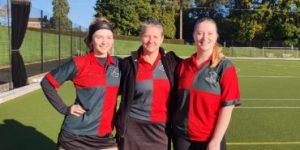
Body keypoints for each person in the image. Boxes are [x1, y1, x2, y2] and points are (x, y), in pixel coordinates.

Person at [40, 18, 121, 150]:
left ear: (112, 40)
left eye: (109, 37)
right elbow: (47, 82)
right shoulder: (79, 63)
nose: (104, 41)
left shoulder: (119, 64)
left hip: (104, 136)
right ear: (91, 40)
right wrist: (64, 109)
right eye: (99, 37)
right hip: (75, 136)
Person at [172, 18, 241, 150]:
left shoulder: (224, 67)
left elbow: (227, 107)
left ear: (216, 36)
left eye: (210, 33)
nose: (204, 38)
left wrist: (216, 140)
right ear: (193, 35)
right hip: (182, 138)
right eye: (200, 33)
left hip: (210, 139)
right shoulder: (183, 66)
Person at [116, 20, 181, 150]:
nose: (151, 40)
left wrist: (214, 59)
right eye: (147, 36)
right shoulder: (128, 64)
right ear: (141, 37)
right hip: (132, 128)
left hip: (161, 129)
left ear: (162, 39)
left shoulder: (172, 62)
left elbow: (195, 66)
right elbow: (109, 90)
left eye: (156, 36)